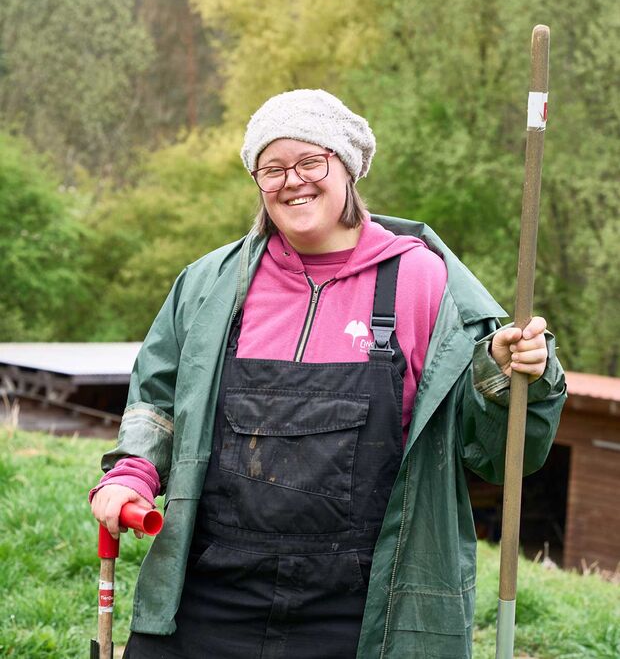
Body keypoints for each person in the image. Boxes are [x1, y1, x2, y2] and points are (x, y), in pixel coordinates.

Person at [90, 89, 566, 659]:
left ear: (346, 167)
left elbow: (498, 451)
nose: (292, 181)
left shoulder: (425, 283)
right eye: (272, 168)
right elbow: (158, 397)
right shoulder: (210, 285)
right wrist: (133, 472)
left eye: (309, 161)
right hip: (210, 588)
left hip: (363, 606)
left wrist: (514, 375)